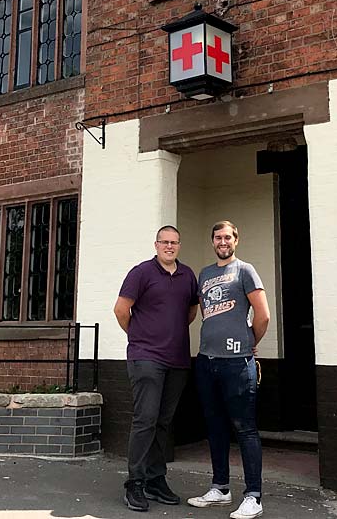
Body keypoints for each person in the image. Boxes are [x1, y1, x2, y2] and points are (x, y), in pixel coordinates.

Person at [187, 221, 270, 519]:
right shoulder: (205, 274)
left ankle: (254, 495)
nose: (222, 242)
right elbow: (202, 312)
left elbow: (263, 315)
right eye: (218, 237)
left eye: (227, 237)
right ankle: (221, 487)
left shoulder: (245, 270)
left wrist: (249, 342)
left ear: (236, 240)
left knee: (245, 428)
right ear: (212, 241)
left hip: (238, 362)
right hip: (206, 361)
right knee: (215, 426)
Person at [113, 225, 199, 512]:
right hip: (146, 356)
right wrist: (139, 337)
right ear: (156, 245)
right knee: (145, 420)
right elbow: (121, 310)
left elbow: (190, 311)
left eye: (174, 242)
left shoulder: (188, 275)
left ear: (179, 245)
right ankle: (134, 483)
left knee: (163, 422)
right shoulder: (141, 272)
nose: (169, 247)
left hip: (177, 360)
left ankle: (155, 479)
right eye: (165, 242)